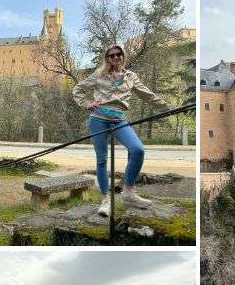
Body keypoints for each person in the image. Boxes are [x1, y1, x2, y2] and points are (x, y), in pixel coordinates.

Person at [72, 44, 170, 217]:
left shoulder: (131, 77)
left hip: (119, 120)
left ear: (123, 56)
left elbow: (148, 95)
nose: (115, 58)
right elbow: (78, 89)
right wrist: (87, 104)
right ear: (107, 58)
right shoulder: (99, 74)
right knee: (102, 160)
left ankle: (128, 192)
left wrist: (167, 108)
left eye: (118, 54)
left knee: (137, 149)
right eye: (111, 55)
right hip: (98, 119)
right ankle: (105, 201)